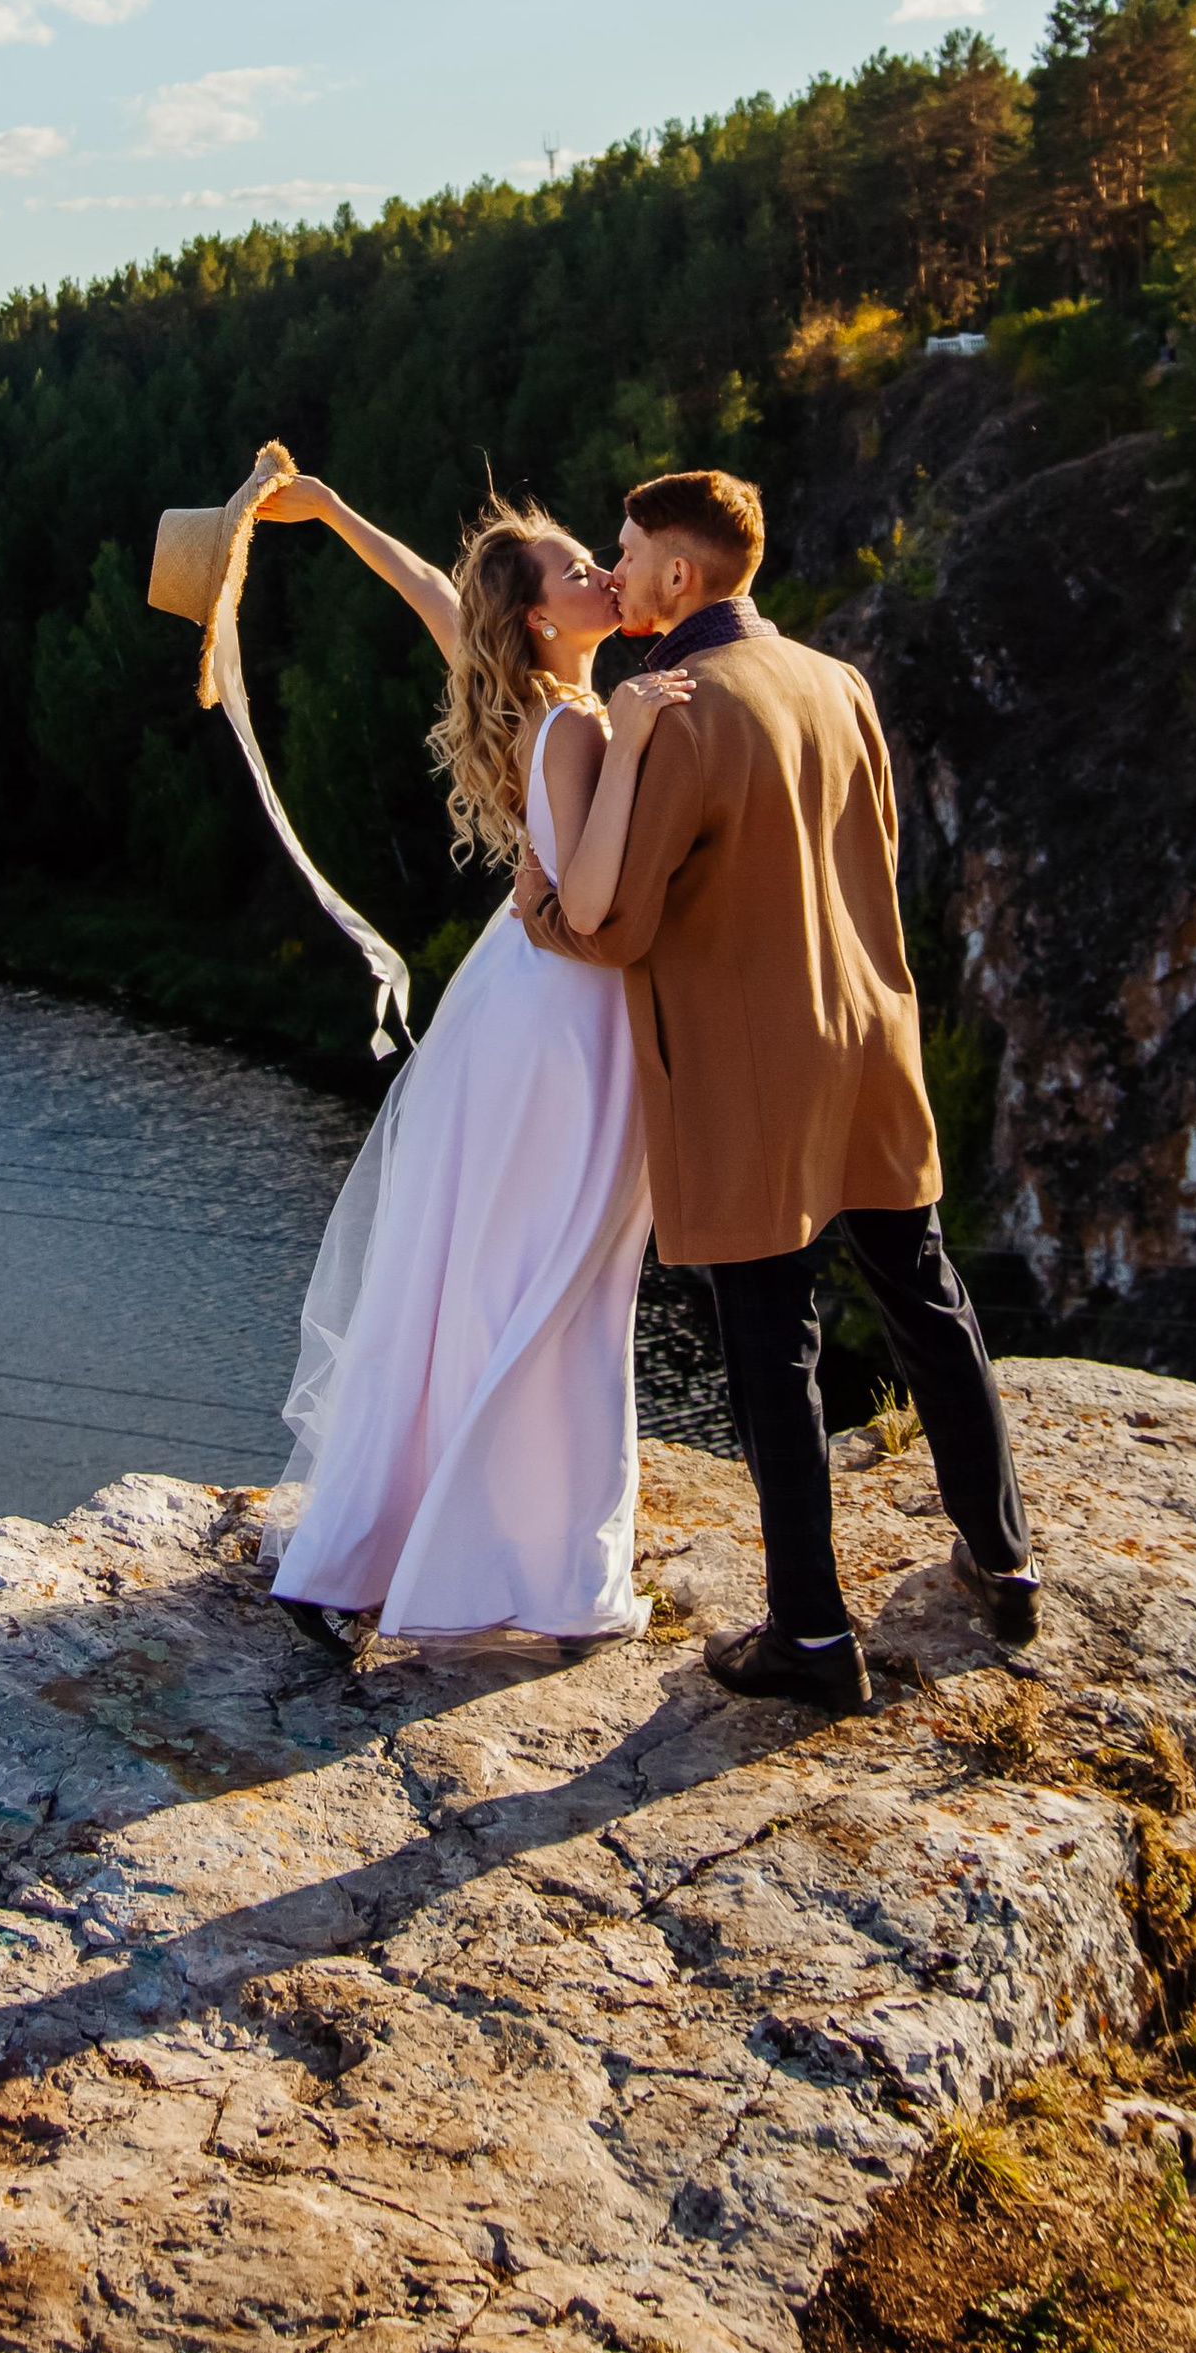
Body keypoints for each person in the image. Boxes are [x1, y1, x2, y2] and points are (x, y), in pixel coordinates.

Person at [516, 465, 1040, 1715]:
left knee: (770, 1347)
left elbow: (619, 923)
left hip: (749, 1070)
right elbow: (878, 861)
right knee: (926, 1297)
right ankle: (1006, 1560)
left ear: (680, 577)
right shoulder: (835, 681)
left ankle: (811, 1634)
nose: (619, 567)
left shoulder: (681, 712)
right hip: (867, 1035)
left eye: (632, 550)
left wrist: (535, 902)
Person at [245, 469, 693, 1656]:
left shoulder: (526, 691)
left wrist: (337, 513)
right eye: (575, 569)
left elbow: (434, 592)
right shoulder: (587, 720)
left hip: (503, 1012)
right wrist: (642, 739)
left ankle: (379, 1549)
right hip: (570, 1020)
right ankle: (534, 1569)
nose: (603, 568)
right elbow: (596, 910)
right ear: (543, 616)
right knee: (560, 1288)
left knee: (477, 1277)